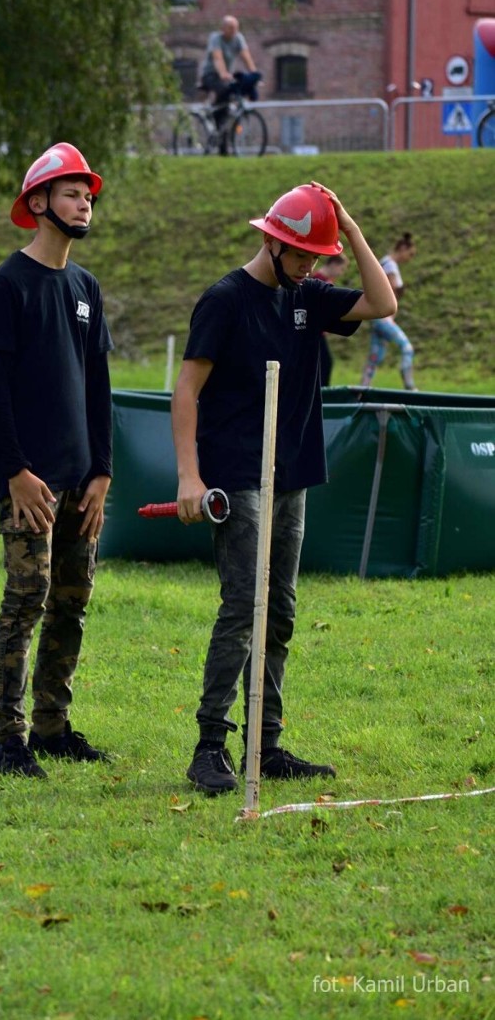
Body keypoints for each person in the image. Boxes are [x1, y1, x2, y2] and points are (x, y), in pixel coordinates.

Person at [171, 183, 396, 796]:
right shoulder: (224, 300)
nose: (310, 267)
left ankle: (265, 744)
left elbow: (383, 305)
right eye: (300, 255)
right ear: (270, 242)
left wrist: (348, 228)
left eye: (317, 257)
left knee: (282, 610)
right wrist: (190, 476)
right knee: (244, 605)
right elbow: (186, 391)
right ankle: (209, 747)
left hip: (292, 475)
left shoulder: (310, 296)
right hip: (237, 474)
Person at [0, 142, 114, 778]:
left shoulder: (87, 288)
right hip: (27, 482)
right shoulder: (8, 284)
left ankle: (54, 727)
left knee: (72, 599)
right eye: (70, 193)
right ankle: (8, 739)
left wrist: (103, 472)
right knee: (26, 599)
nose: (84, 201)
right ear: (38, 203)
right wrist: (14, 473)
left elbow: (98, 387)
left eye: (87, 194)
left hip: (80, 480)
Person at [360, 233, 417, 391]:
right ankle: (409, 384)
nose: (409, 258)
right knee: (407, 348)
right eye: (410, 254)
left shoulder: (384, 262)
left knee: (375, 357)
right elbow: (390, 291)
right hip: (384, 318)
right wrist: (400, 291)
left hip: (378, 316)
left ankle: (362, 389)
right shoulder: (390, 265)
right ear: (403, 249)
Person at [199, 15, 262, 154]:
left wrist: (254, 75)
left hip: (225, 76)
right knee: (224, 95)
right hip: (211, 75)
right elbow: (217, 58)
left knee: (227, 111)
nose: (234, 31)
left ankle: (223, 148)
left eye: (236, 28)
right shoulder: (216, 38)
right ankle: (215, 120)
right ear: (223, 28)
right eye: (230, 28)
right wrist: (223, 73)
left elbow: (246, 57)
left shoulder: (238, 38)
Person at [313, 253, 350, 385]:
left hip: (320, 331)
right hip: (314, 332)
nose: (341, 273)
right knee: (325, 364)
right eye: (341, 268)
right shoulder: (317, 280)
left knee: (324, 364)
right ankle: (323, 396)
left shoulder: (327, 281)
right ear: (334, 264)